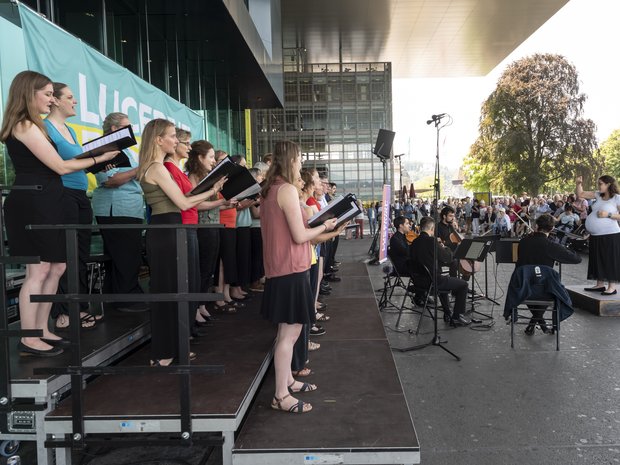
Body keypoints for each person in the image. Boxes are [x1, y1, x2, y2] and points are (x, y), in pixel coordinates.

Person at [0, 71, 117, 356]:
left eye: (54, 95)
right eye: (48, 94)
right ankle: (29, 336)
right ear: (29, 93)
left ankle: (41, 329)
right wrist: (98, 158)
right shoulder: (24, 124)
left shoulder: (36, 125)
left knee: (58, 267)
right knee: (38, 270)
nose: (52, 101)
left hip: (49, 198)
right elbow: (61, 166)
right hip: (33, 201)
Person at [137, 119, 226, 366]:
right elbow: (185, 203)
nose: (176, 141)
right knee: (170, 291)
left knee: (172, 290)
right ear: (158, 140)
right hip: (167, 230)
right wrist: (214, 188)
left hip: (166, 228)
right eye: (173, 136)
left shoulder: (154, 166)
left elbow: (183, 199)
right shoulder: (157, 168)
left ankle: (170, 349)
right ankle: (164, 352)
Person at [260, 140, 337, 414]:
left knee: (286, 333)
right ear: (290, 160)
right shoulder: (288, 190)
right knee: (288, 336)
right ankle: (281, 395)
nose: (302, 163)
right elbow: (300, 236)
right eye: (300, 158)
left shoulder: (270, 190)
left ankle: (287, 381)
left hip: (280, 269)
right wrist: (326, 225)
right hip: (291, 269)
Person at [45, 82, 97, 330]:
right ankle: (64, 311)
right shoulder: (45, 128)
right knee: (66, 256)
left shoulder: (70, 129)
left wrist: (98, 162)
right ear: (54, 100)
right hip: (62, 194)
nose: (74, 101)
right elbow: (58, 164)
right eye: (70, 96)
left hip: (80, 194)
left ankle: (80, 307)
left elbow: (78, 161)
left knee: (81, 256)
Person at [92, 112, 146, 313]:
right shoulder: (102, 149)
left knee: (125, 255)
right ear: (114, 129)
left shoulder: (126, 151)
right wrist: (139, 170)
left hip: (129, 208)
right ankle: (127, 298)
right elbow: (110, 180)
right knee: (125, 255)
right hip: (115, 208)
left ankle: (117, 296)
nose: (132, 131)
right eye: (127, 126)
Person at [185, 140, 237, 322]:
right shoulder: (193, 176)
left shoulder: (207, 176)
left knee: (208, 269)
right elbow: (196, 205)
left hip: (213, 225)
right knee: (202, 269)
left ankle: (201, 305)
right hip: (202, 227)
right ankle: (195, 309)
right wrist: (221, 202)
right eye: (211, 157)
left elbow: (211, 206)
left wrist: (226, 203)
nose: (214, 161)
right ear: (200, 157)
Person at [516, 214, 581, 334]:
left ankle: (535, 324)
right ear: (551, 229)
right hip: (542, 289)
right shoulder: (551, 245)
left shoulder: (523, 242)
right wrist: (562, 246)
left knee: (539, 285)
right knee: (550, 287)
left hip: (521, 286)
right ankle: (541, 324)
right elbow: (576, 259)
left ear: (536, 226)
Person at [410, 216, 470, 326]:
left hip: (418, 281)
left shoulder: (414, 242)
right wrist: (443, 247)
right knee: (463, 285)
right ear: (432, 229)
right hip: (433, 281)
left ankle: (448, 313)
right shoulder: (431, 241)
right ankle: (457, 317)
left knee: (442, 278)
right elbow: (448, 258)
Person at [576, 175, 620, 295]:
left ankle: (612, 287)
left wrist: (608, 215)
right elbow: (581, 194)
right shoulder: (598, 195)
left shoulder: (616, 198)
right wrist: (578, 183)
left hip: (610, 234)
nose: (598, 186)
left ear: (608, 184)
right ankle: (600, 285)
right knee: (597, 258)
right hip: (596, 235)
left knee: (609, 259)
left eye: (600, 183)